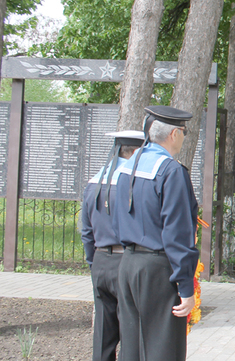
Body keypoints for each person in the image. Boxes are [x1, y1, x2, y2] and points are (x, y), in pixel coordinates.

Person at [113, 105, 199, 361]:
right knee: (163, 349)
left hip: (128, 264)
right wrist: (185, 286)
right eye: (184, 131)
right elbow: (178, 232)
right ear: (174, 134)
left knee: (133, 348)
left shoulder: (128, 167)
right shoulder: (171, 171)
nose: (184, 136)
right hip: (158, 270)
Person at [81, 130, 145, 361]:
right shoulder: (133, 183)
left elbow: (86, 230)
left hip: (100, 261)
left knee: (103, 333)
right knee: (130, 331)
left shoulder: (94, 182)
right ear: (137, 151)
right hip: (126, 261)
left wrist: (94, 262)